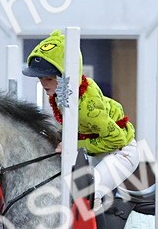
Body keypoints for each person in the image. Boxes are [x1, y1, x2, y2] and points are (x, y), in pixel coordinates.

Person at [23, 30, 138, 200]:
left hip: (121, 152)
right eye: (40, 78)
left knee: (86, 194)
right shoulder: (62, 96)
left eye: (48, 78)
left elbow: (117, 139)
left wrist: (72, 145)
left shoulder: (88, 109)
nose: (42, 83)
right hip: (95, 153)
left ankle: (99, 227)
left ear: (65, 77)